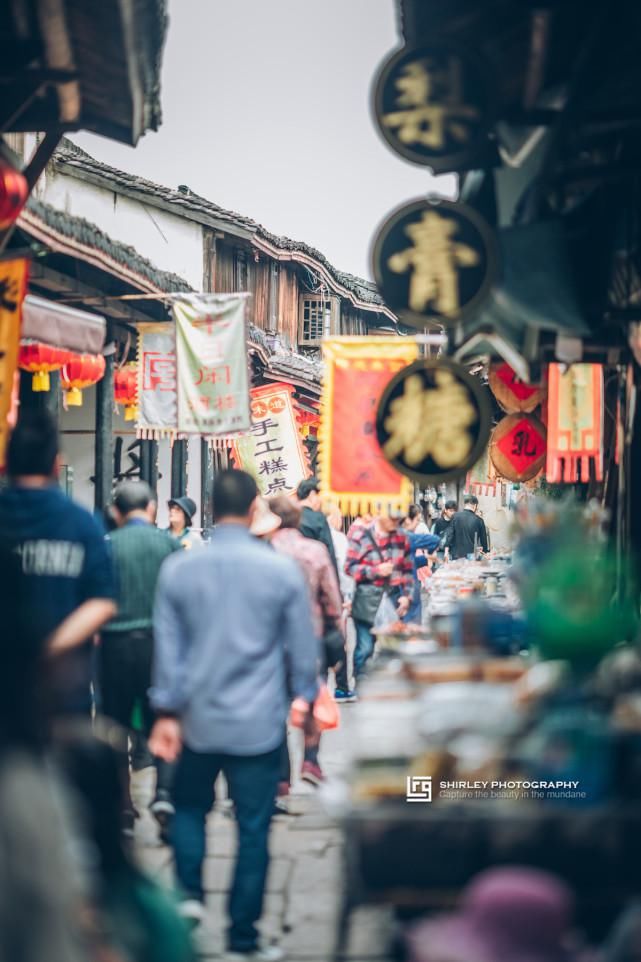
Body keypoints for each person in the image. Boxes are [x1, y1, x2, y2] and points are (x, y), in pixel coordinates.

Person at [149, 469, 318, 960]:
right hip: (258, 723)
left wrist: (166, 711)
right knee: (253, 828)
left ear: (210, 507)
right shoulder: (279, 571)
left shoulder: (180, 569)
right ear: (251, 511)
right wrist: (304, 701)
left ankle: (190, 899)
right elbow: (300, 649)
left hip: (196, 718)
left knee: (188, 809)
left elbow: (169, 649)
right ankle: (243, 939)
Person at [0, 410, 116, 716]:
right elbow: (102, 603)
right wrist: (49, 648)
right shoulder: (81, 524)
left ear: (6, 463)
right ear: (55, 464)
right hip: (61, 690)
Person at [100, 480, 181, 835]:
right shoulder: (170, 544)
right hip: (159, 647)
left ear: (116, 513)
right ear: (151, 509)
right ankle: (164, 794)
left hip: (114, 646)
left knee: (114, 728)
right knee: (162, 721)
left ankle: (122, 806)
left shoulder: (106, 546)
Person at [269, 495, 343, 786]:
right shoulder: (315, 550)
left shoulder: (264, 550)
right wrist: (337, 631)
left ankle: (281, 777)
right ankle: (310, 760)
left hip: (270, 640)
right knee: (313, 698)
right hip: (310, 637)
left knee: (275, 706)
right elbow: (332, 600)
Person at [345, 512, 415, 680]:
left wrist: (407, 596)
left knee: (390, 647)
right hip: (366, 599)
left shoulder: (401, 537)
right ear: (380, 514)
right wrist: (375, 571)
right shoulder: (360, 535)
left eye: (399, 519)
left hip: (391, 598)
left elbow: (407, 570)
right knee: (365, 646)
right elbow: (349, 568)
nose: (395, 522)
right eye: (392, 518)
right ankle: (361, 684)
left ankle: (386, 686)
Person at [323, 502, 357, 702]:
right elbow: (346, 570)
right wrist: (349, 596)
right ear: (333, 518)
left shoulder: (309, 536)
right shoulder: (338, 538)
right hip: (336, 597)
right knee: (340, 641)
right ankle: (341, 687)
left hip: (315, 599)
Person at [401, 511, 441, 624]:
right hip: (408, 585)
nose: (418, 524)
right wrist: (429, 555)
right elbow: (435, 540)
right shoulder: (406, 536)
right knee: (412, 624)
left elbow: (406, 562)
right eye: (417, 520)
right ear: (408, 520)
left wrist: (425, 558)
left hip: (399, 587)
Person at [296, 477, 338, 572]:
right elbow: (329, 553)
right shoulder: (318, 518)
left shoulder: (289, 518)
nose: (321, 501)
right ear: (312, 494)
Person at [445, 495, 489, 560]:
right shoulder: (479, 520)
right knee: (470, 570)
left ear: (465, 504)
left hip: (456, 554)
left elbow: (450, 535)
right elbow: (484, 540)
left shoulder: (455, 516)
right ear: (475, 505)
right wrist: (485, 553)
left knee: (456, 570)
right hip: (472, 554)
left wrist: (446, 552)